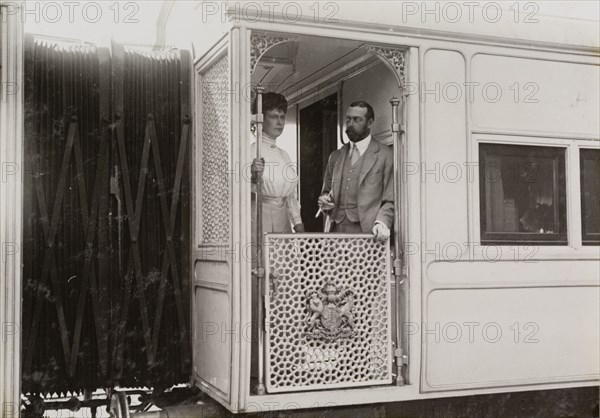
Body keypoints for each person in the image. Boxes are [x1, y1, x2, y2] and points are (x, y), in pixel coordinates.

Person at [318, 101, 393, 241]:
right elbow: (325, 193)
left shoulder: (385, 155)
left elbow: (390, 200)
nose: (351, 123)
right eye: (348, 119)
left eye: (357, 119)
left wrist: (382, 222)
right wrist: (323, 202)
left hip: (368, 234)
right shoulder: (335, 156)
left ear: (370, 123)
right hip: (334, 234)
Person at [251, 92, 305, 234]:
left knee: (283, 257)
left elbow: (290, 197)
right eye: (274, 117)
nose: (279, 122)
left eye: (282, 117)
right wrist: (253, 177)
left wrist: (298, 224)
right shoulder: (251, 152)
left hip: (283, 220)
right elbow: (242, 192)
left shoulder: (284, 155)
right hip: (259, 218)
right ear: (261, 120)